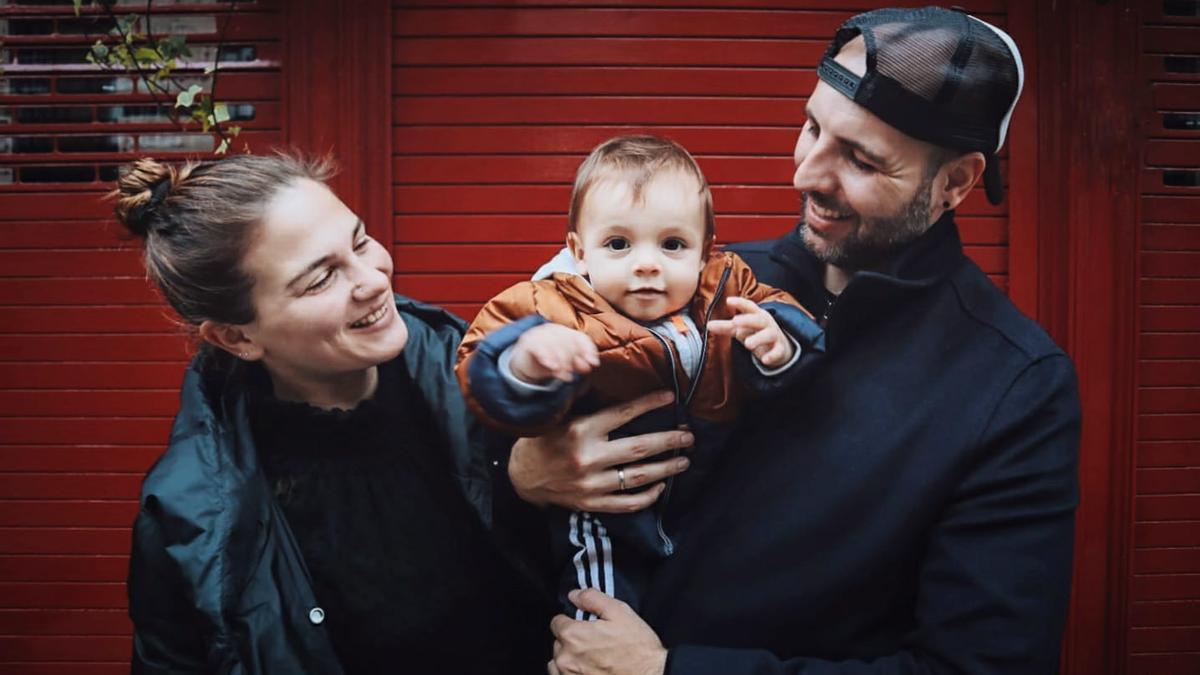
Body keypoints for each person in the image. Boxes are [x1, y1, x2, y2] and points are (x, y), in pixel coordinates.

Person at [534, 7, 1082, 674]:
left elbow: (982, 666)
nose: (806, 174)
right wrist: (529, 470)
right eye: (813, 127)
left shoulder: (1013, 386)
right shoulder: (698, 281)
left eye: (860, 159)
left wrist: (671, 671)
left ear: (955, 182)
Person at [116, 153, 554, 674]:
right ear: (236, 336)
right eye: (320, 280)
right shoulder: (189, 519)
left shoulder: (498, 389)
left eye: (361, 240)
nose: (372, 279)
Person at [455, 135, 824, 619]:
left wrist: (778, 345)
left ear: (704, 252)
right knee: (600, 590)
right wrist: (527, 362)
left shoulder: (726, 288)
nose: (646, 262)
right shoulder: (552, 306)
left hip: (705, 497)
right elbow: (480, 362)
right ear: (580, 252)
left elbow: (789, 320)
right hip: (604, 512)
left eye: (672, 244)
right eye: (618, 244)